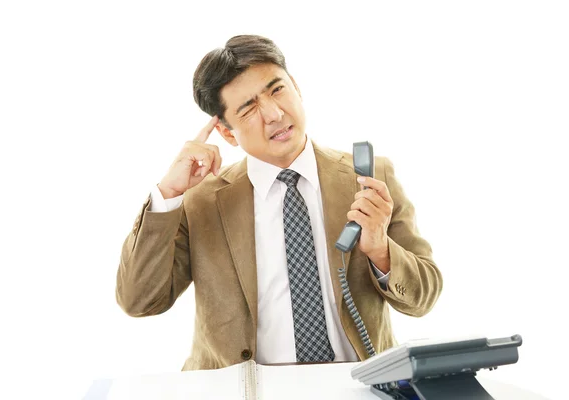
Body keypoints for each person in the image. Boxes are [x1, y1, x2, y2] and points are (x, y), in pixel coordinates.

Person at [116, 34, 442, 371]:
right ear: (228, 134)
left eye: (277, 90)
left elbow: (425, 297)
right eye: (249, 108)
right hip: (242, 392)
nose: (273, 114)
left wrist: (381, 251)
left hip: (356, 384)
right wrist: (168, 194)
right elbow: (140, 301)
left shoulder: (371, 178)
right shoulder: (201, 201)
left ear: (296, 87)